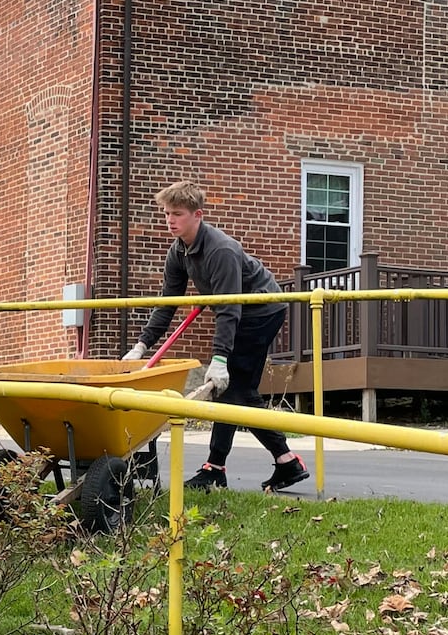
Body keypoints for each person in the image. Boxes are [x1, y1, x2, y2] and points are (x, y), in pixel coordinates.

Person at [124, 181, 309, 492]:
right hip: (236, 312)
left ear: (197, 214)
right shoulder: (179, 251)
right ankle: (283, 460)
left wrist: (220, 358)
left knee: (233, 389)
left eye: (177, 214)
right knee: (238, 394)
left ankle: (219, 467)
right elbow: (168, 302)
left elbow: (229, 310)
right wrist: (141, 346)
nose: (170, 220)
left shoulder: (220, 250)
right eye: (167, 213)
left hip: (261, 311)